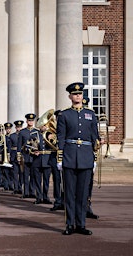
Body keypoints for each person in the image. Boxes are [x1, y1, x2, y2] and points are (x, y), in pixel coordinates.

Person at [56, 82, 99, 235]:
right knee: (69, 193)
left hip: (86, 157)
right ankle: (69, 225)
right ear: (70, 96)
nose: (77, 96)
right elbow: (61, 137)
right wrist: (60, 157)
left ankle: (81, 224)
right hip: (69, 156)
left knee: (82, 194)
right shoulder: (64, 115)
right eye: (75, 94)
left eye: (79, 94)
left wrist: (94, 158)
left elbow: (95, 137)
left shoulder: (91, 114)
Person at [18, 113, 39, 199]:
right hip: (26, 155)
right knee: (25, 175)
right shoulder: (22, 132)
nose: (30, 122)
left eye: (32, 120)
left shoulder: (36, 131)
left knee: (33, 175)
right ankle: (26, 192)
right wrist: (19, 155)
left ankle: (32, 191)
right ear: (26, 121)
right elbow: (19, 145)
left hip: (34, 156)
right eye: (29, 120)